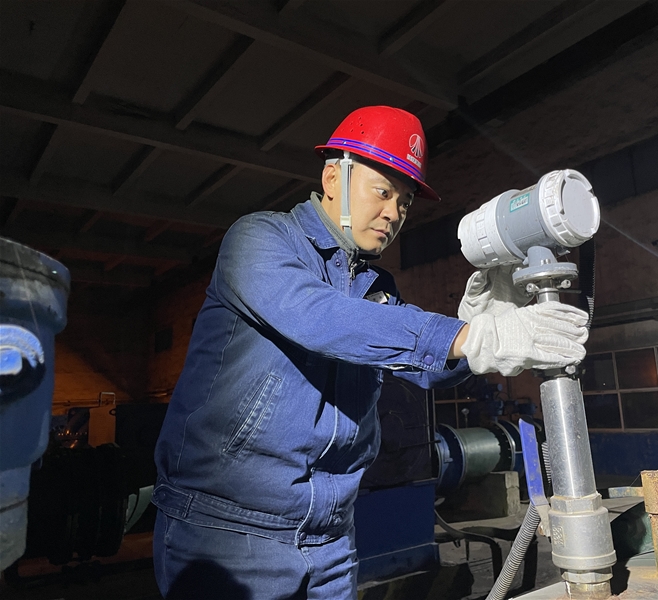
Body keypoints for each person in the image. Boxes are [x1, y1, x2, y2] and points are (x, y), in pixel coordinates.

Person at [151, 106, 589, 600]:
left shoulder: (374, 287)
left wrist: (483, 325)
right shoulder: (259, 239)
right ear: (332, 177)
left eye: (404, 203)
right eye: (383, 192)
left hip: (331, 536)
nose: (394, 214)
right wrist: (469, 336)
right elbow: (320, 317)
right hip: (228, 531)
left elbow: (424, 369)